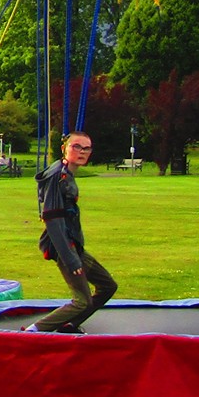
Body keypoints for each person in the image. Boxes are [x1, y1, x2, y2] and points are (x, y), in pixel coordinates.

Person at [27, 130, 119, 333]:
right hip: (64, 247)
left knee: (108, 286)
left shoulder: (66, 173)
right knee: (82, 301)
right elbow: (52, 220)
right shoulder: (56, 177)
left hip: (74, 245)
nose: (82, 151)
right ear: (64, 149)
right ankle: (33, 331)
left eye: (86, 148)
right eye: (76, 147)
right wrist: (71, 259)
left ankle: (69, 325)